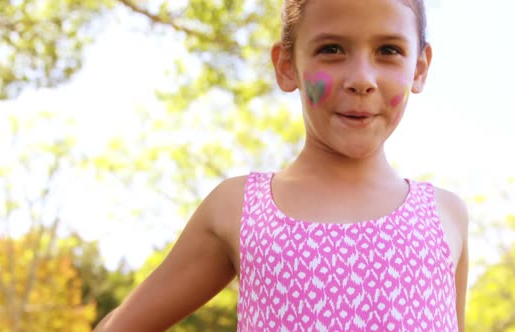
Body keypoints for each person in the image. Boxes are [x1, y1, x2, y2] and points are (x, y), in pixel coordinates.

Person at [94, 0, 469, 330]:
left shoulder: (446, 216)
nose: (361, 80)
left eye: (388, 50)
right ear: (287, 65)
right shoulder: (238, 208)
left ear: (419, 69)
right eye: (332, 49)